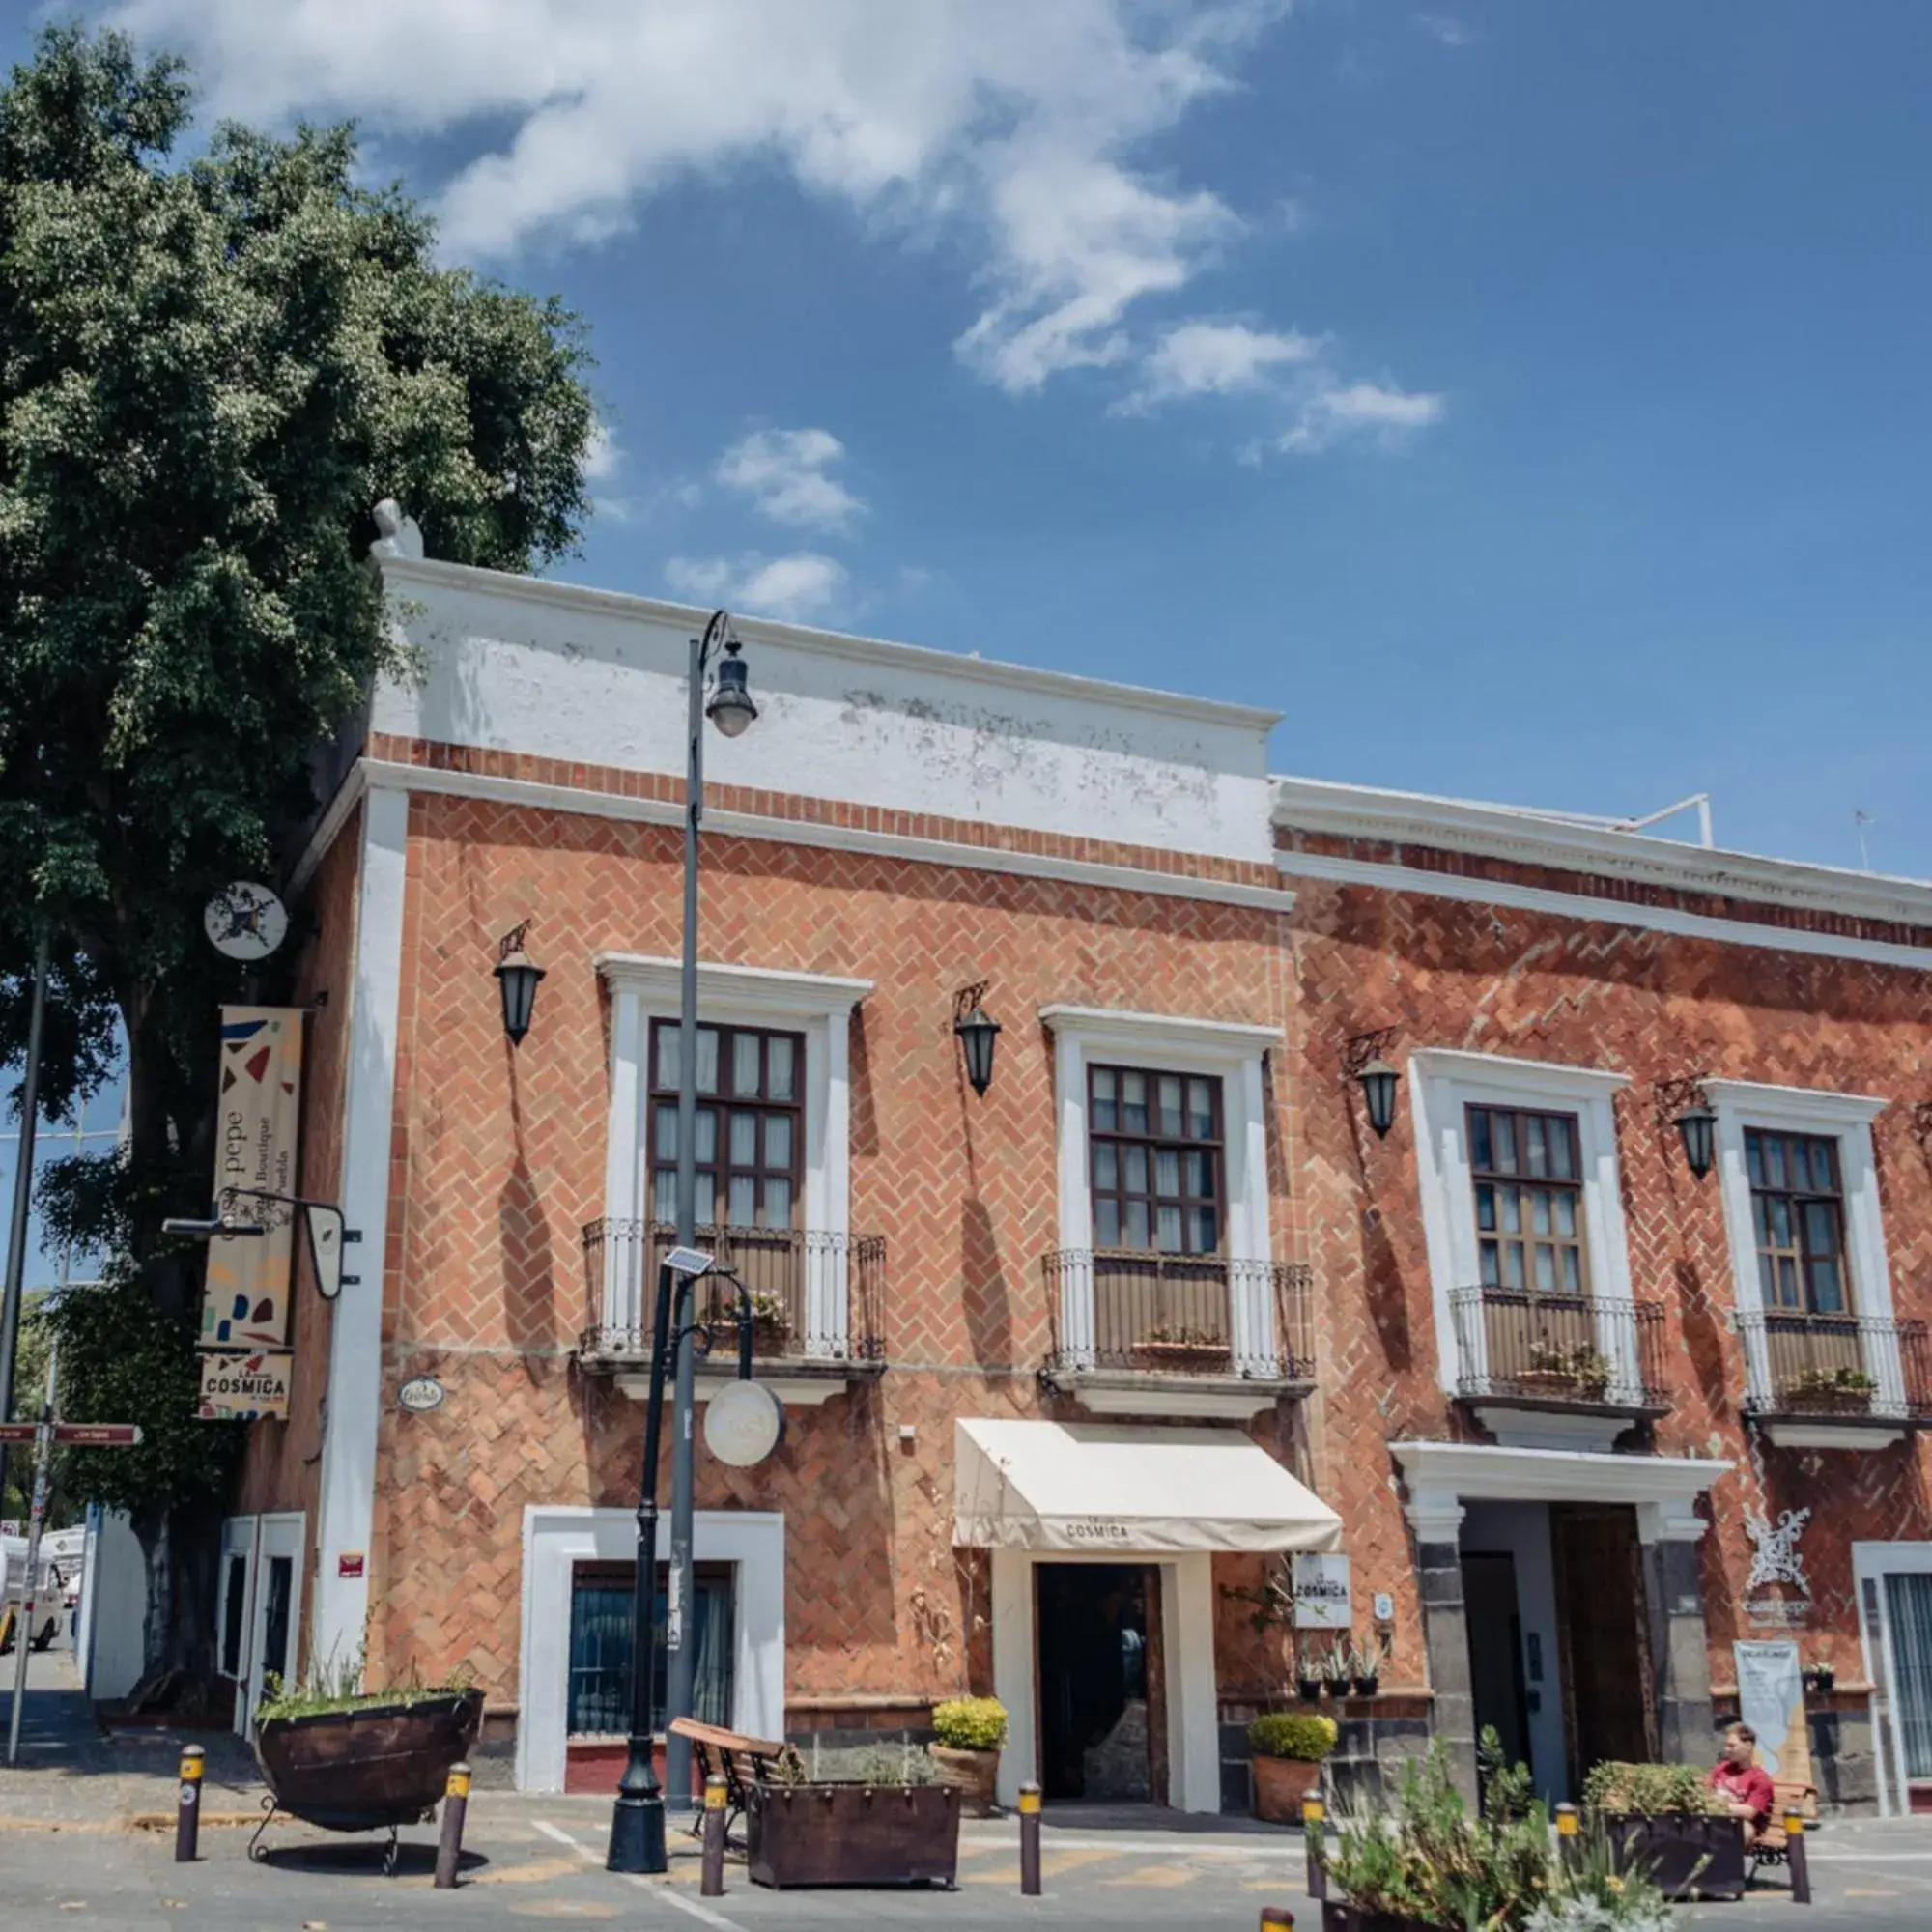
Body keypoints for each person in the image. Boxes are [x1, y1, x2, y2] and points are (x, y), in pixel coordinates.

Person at [1709, 1722, 1776, 1844]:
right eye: (1726, 1745)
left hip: (1742, 1823)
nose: (1727, 1750)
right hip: (1714, 1820)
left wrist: (1718, 1806)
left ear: (1748, 1746)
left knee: (1742, 1830)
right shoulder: (1721, 1769)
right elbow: (1706, 1793)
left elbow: (1749, 1812)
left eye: (1732, 1746)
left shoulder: (1760, 1778)